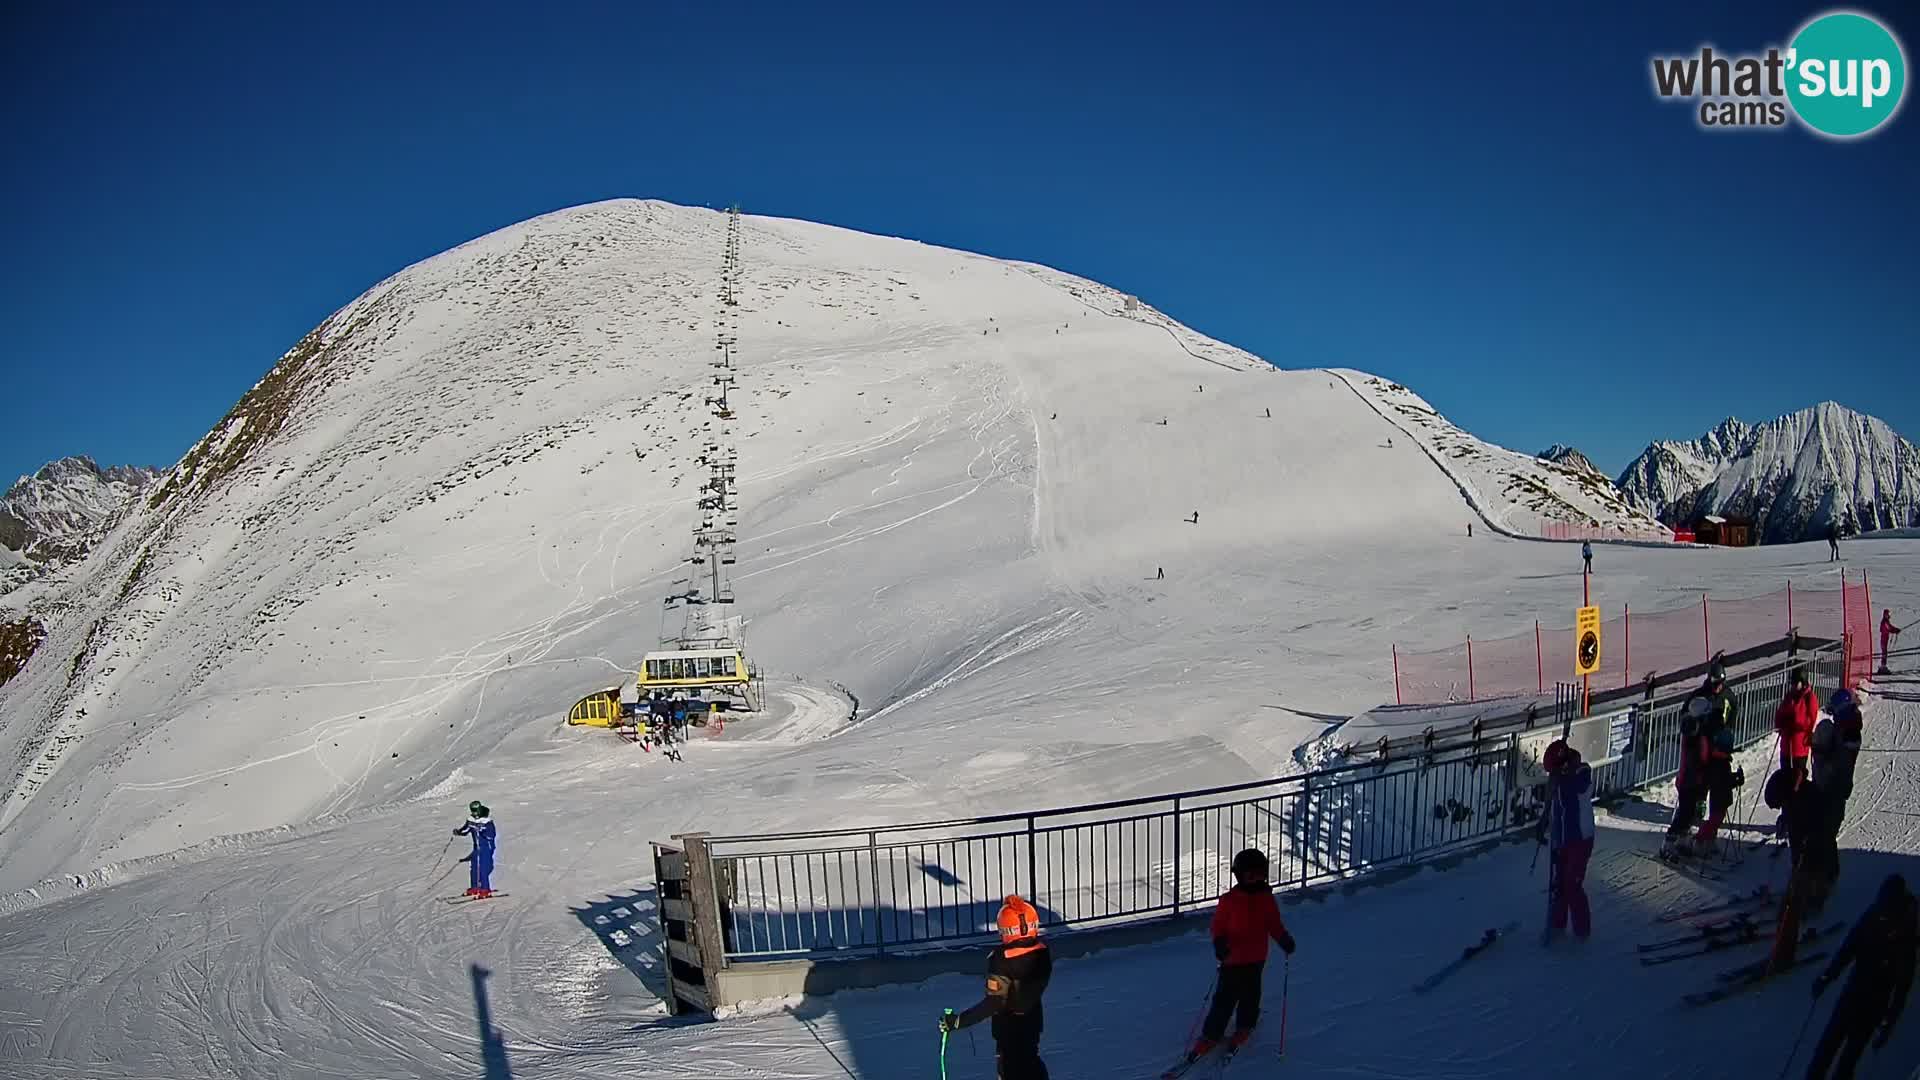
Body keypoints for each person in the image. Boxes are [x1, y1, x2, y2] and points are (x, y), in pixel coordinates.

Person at [1183, 849, 1296, 1063]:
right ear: (1239, 876)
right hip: (1232, 959)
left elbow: (1273, 924)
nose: (1255, 880)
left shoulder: (1266, 899)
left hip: (1256, 959)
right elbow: (1218, 926)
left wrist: (1283, 939)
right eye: (1250, 876)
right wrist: (1219, 943)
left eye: (1259, 876)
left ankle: (1246, 1025)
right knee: (1223, 1000)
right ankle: (1211, 1035)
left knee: (1250, 996)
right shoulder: (1229, 900)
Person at [1807, 874, 1917, 1079]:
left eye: (1886, 915)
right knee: (1827, 1047)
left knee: (1849, 1058)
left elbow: (1902, 987)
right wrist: (1827, 976)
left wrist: (1887, 1023)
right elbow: (1849, 947)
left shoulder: (1907, 938)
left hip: (1875, 1004)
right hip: (1854, 990)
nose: (1882, 917)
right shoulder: (1873, 915)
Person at [941, 896, 1052, 1080]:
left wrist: (959, 1021)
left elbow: (994, 1002)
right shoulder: (1042, 951)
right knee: (1032, 1063)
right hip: (1032, 1021)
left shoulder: (1002, 960)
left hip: (1009, 1029)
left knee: (1012, 1069)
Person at [1663, 661, 1737, 858]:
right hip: (1695, 762)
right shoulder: (1699, 697)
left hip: (1712, 755)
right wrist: (1694, 726)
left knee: (1708, 802)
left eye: (1720, 683)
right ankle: (1674, 841)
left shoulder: (1728, 697)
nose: (1717, 687)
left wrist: (1721, 740)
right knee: (1689, 803)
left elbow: (1731, 719)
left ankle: (1698, 839)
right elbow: (1685, 717)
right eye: (1714, 683)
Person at [1538, 739, 1595, 941]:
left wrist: (1563, 777)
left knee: (1572, 885)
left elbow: (1580, 789)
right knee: (1559, 884)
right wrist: (1545, 823)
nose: (1551, 776)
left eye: (1554, 770)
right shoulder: (1557, 779)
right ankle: (1556, 927)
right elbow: (1555, 807)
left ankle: (1582, 932)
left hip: (1580, 839)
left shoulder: (1582, 773)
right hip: (1561, 839)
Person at [1812, 689, 1865, 827]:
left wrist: (1826, 750)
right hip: (1833, 779)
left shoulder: (1850, 730)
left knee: (1829, 818)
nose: (1833, 715)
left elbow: (1842, 756)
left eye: (1835, 711)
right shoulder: (1844, 725)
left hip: (1837, 782)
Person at [1776, 669, 1819, 774]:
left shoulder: (1809, 698)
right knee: (1784, 778)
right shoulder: (1789, 696)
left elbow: (1810, 720)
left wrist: (1795, 721)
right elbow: (1780, 713)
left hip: (1799, 747)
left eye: (1796, 683)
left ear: (1803, 683)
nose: (1794, 686)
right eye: (1793, 683)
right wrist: (1781, 722)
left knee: (1797, 779)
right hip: (1786, 745)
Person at [454, 801, 498, 898]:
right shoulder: (471, 820)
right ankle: (474, 887)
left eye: (476, 811)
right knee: (474, 867)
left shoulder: (487, 821)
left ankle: (485, 889)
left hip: (486, 847)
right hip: (476, 847)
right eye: (472, 811)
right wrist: (459, 832)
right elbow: (466, 829)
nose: (474, 813)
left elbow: (491, 835)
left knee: (483, 867)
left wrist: (482, 830)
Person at [1882, 610, 1903, 675]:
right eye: (1887, 614)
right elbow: (1888, 629)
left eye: (1888, 614)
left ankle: (1883, 666)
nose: (1888, 616)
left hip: (1885, 638)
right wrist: (1895, 631)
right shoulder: (1884, 622)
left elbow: (1890, 627)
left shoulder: (1886, 622)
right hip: (1883, 639)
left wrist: (1896, 629)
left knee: (1885, 652)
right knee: (1884, 653)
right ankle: (1883, 667)